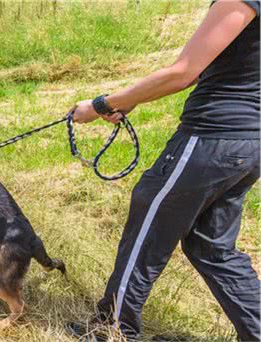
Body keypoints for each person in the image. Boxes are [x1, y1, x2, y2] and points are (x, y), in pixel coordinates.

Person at [66, 0, 260, 341]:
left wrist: (101, 105)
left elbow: (183, 72)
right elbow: (221, 62)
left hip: (211, 138)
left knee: (149, 222)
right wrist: (131, 97)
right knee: (210, 246)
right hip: (249, 143)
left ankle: (112, 329)